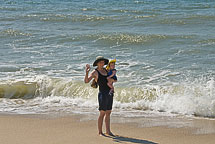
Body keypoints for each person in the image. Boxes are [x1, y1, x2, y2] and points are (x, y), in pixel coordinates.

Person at [84, 56, 114, 136]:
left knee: (108, 112)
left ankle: (108, 131)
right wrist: (87, 72)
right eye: (100, 62)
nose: (102, 63)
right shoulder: (95, 72)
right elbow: (86, 81)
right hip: (102, 94)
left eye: (103, 62)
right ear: (97, 63)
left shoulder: (106, 70)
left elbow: (112, 78)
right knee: (102, 113)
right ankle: (100, 132)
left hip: (109, 93)